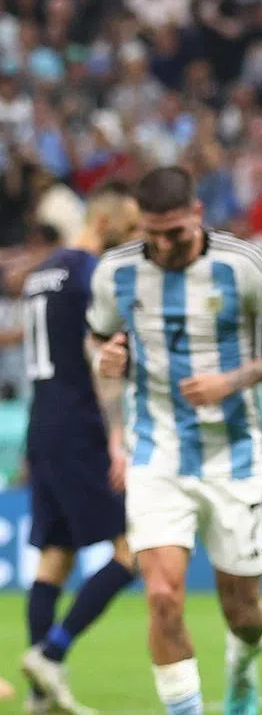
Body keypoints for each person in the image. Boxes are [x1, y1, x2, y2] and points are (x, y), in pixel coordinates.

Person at [87, 166, 262, 715]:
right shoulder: (115, 272)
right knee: (162, 597)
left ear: (197, 213)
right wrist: (109, 381)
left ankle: (242, 670)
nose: (164, 247)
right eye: (153, 235)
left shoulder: (245, 264)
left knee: (244, 613)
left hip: (233, 456)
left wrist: (233, 380)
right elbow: (98, 344)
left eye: (175, 233)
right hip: (156, 453)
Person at [18, 182, 140, 715]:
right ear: (106, 223)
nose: (135, 241)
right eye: (130, 230)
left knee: (55, 556)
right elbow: (101, 357)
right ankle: (51, 652)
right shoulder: (92, 273)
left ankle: (40, 696)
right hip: (79, 425)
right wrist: (116, 437)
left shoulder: (41, 274)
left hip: (42, 423)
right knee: (132, 550)